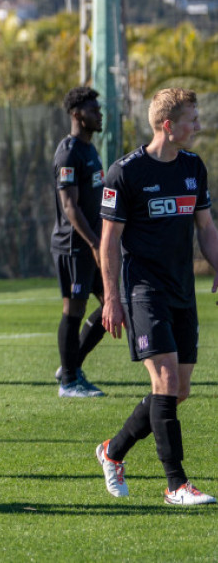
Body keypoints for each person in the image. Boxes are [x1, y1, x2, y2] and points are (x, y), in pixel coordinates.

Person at [94, 88, 218, 506]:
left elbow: (206, 227)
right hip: (143, 290)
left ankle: (112, 452)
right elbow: (108, 242)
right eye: (192, 119)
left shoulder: (193, 168)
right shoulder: (125, 173)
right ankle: (176, 485)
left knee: (178, 391)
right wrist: (111, 298)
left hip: (182, 289)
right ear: (169, 125)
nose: (198, 126)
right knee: (164, 381)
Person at [51, 87, 108, 398]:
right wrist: (95, 243)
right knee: (74, 309)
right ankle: (69, 382)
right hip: (74, 245)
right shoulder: (69, 152)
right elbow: (70, 207)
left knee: (117, 301)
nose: (99, 113)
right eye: (92, 109)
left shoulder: (90, 149)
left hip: (92, 243)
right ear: (76, 115)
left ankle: (70, 365)